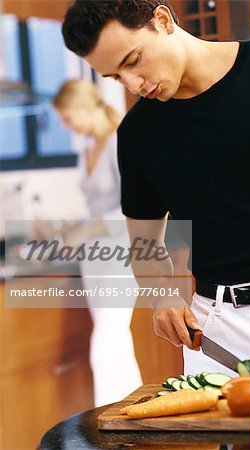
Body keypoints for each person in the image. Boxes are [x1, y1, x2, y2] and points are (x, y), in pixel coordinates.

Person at [61, 1, 250, 378]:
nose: (134, 85)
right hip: (216, 332)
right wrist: (161, 292)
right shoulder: (137, 134)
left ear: (162, 20)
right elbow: (144, 246)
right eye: (116, 77)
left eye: (133, 61)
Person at [53, 79, 142, 406]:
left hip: (122, 253)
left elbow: (134, 208)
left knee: (105, 345)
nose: (65, 125)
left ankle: (113, 425)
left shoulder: (120, 140)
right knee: (116, 345)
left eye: (67, 117)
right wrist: (66, 231)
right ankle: (134, 420)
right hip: (94, 259)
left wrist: (85, 231)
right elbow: (94, 209)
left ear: (84, 107)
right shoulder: (88, 148)